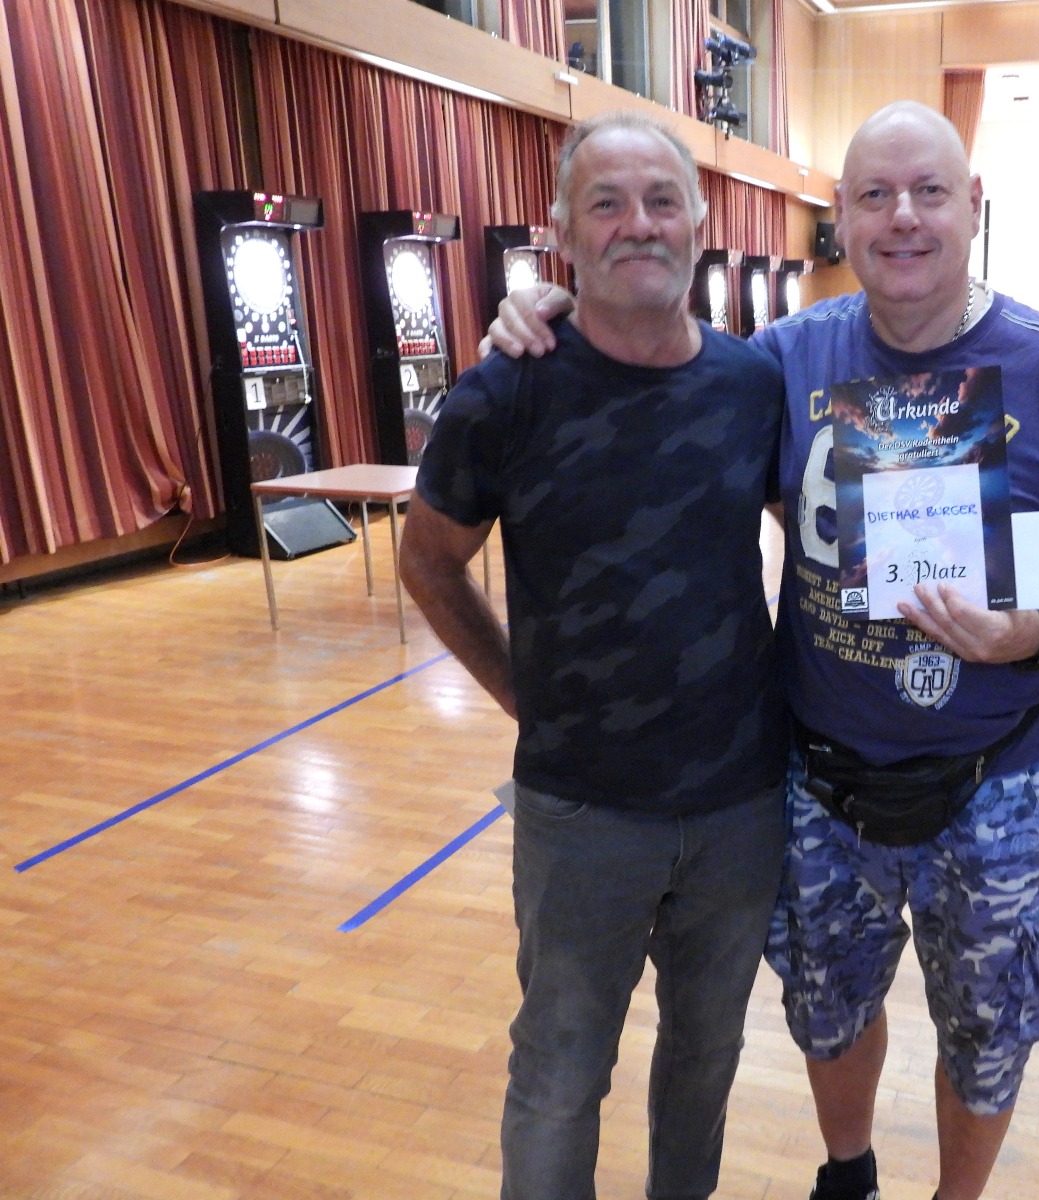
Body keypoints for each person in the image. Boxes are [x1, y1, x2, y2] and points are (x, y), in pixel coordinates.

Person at [486, 101, 1039, 1200]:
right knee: (829, 1006)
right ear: (839, 219)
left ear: (972, 206)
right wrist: (552, 314)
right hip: (819, 778)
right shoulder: (782, 362)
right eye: (874, 196)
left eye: (929, 192)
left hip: (998, 773)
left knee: (988, 1027)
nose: (903, 218)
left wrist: (1037, 628)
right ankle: (847, 1178)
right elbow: (661, 369)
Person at [400, 110, 788, 1200]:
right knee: (560, 1075)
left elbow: (819, 534)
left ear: (699, 222)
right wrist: (524, 697)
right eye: (606, 204)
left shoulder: (754, 386)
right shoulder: (505, 392)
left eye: (662, 201)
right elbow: (429, 564)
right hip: (580, 814)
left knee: (706, 1061)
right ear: (564, 234)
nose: (638, 225)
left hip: (739, 805)